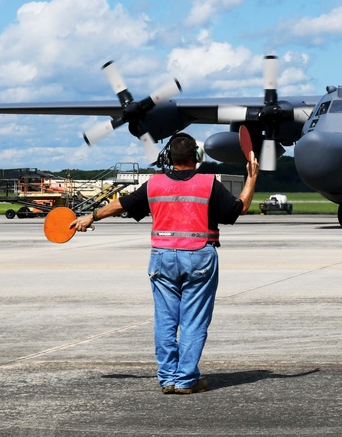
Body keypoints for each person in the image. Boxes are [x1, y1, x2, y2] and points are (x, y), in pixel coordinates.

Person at [71, 132, 259, 395]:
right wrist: (252, 176)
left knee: (165, 321)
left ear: (169, 158)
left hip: (162, 259)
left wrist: (91, 216)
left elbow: (121, 204)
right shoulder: (208, 184)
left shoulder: (154, 184)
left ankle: (168, 379)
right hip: (199, 257)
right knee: (193, 321)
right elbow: (239, 209)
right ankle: (186, 380)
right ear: (197, 157)